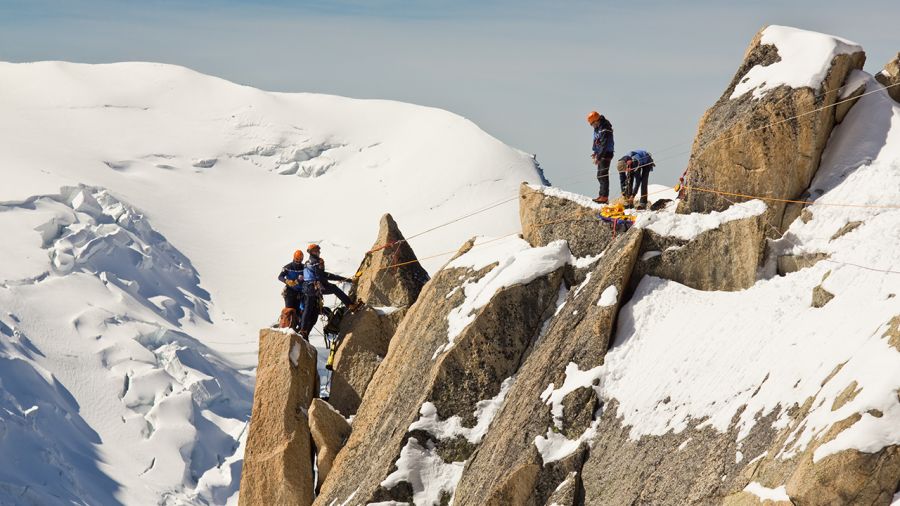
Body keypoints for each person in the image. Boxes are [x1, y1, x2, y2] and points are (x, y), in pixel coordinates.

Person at [299, 243, 360, 338]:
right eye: (317, 250)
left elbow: (319, 274)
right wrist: (345, 279)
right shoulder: (317, 261)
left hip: (306, 288)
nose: (319, 252)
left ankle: (303, 330)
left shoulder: (307, 262)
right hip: (314, 286)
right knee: (334, 289)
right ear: (313, 252)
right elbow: (322, 276)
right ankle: (351, 305)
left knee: (308, 309)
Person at [587, 111, 615, 204]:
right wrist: (595, 152)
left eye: (592, 124)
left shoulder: (605, 127)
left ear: (596, 121)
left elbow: (604, 143)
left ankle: (604, 197)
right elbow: (596, 141)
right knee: (600, 176)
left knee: (603, 175)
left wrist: (599, 157)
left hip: (606, 153)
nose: (592, 126)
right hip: (601, 153)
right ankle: (601, 195)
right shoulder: (598, 128)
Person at [277, 250, 305, 329]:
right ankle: (284, 326)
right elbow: (280, 277)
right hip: (290, 291)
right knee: (289, 311)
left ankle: (298, 329)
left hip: (300, 292)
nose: (298, 261)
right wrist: (286, 281)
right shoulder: (288, 267)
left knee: (299, 312)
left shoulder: (303, 268)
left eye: (300, 260)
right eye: (297, 259)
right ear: (294, 258)